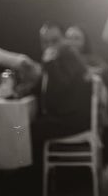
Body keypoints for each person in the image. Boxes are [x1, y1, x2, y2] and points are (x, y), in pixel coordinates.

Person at [27, 22, 94, 191]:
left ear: (64, 40)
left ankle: (34, 186)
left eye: (54, 40)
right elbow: (43, 87)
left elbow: (61, 87)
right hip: (64, 117)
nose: (49, 46)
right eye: (45, 42)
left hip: (74, 120)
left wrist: (49, 63)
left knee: (26, 130)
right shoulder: (58, 56)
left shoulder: (68, 54)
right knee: (27, 126)